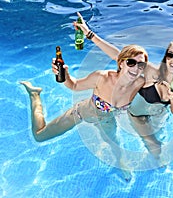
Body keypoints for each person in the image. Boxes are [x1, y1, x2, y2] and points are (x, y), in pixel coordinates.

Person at [73, 12, 173, 164]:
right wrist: (89, 34)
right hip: (137, 116)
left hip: (158, 114)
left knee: (158, 143)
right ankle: (123, 160)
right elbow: (118, 56)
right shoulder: (153, 72)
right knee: (153, 146)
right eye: (170, 55)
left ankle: (154, 157)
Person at [20, 44, 148, 181]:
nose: (136, 68)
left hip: (107, 120)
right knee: (39, 135)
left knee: (114, 142)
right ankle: (34, 95)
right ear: (121, 63)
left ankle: (121, 162)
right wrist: (65, 75)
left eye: (141, 65)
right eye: (131, 62)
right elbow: (74, 86)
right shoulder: (102, 78)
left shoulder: (140, 83)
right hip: (81, 114)